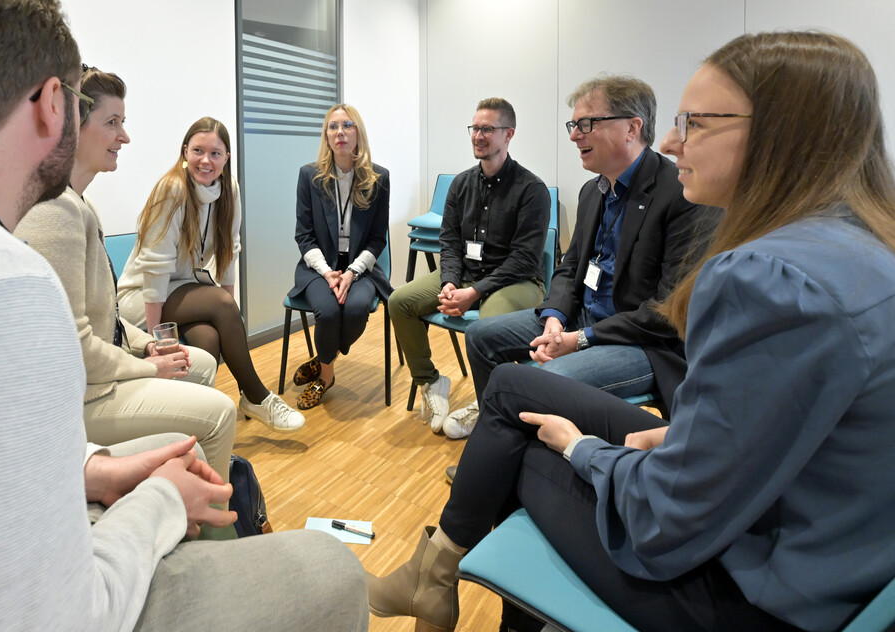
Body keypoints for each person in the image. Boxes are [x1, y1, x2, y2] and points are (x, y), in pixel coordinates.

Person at [367, 31, 895, 632]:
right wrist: (556, 319)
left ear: (778, 134)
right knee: (507, 380)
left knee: (515, 433)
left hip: (745, 580)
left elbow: (668, 506)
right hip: (810, 548)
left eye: (694, 123)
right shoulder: (860, 247)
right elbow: (565, 270)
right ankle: (447, 571)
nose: (674, 141)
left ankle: (454, 580)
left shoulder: (761, 269)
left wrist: (580, 445)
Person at [0, 0, 368, 630]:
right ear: (53, 105)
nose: (122, 136)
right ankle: (245, 440)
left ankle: (248, 427)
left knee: (207, 338)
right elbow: (63, 609)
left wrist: (91, 469)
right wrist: (161, 504)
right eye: (112, 120)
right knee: (332, 570)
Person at [443, 76, 714, 441]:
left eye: (587, 124)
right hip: (580, 319)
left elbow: (667, 311)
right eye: (574, 125)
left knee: (538, 383)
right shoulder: (593, 191)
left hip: (642, 342)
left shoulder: (680, 194)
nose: (574, 136)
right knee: (479, 337)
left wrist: (581, 339)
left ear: (632, 127)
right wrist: (555, 317)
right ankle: (499, 439)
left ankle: (505, 456)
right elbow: (570, 268)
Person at [15, 66, 236, 483]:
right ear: (71, 128)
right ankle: (212, 526)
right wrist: (148, 367)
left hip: (100, 372)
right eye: (112, 123)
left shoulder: (80, 205)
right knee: (221, 413)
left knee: (200, 362)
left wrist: (147, 346)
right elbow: (75, 348)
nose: (125, 136)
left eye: (123, 123)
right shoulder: (53, 211)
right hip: (82, 397)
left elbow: (109, 321)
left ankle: (176, 481)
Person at [117, 117, 304, 433]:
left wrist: (224, 314)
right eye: (198, 151)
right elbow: (155, 270)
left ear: (227, 157)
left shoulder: (228, 189)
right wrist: (155, 339)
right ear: (184, 152)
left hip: (186, 292)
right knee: (220, 304)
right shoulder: (172, 189)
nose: (206, 160)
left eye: (215, 153)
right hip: (142, 297)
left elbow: (229, 252)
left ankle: (194, 423)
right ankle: (256, 397)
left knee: (210, 337)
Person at [389, 98, 550, 433]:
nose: (479, 135)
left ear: (509, 134)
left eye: (487, 129)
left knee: (485, 329)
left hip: (517, 281)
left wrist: (474, 292)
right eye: (475, 128)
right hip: (465, 275)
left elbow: (525, 258)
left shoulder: (532, 190)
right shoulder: (460, 185)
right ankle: (432, 382)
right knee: (399, 301)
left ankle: (488, 402)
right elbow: (449, 242)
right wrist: (450, 282)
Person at [287, 104, 391, 409]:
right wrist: (327, 272)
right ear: (326, 136)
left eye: (347, 125)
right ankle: (326, 376)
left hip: (360, 267)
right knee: (329, 312)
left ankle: (322, 358)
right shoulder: (310, 176)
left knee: (356, 308)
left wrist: (351, 273)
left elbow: (376, 239)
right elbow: (303, 234)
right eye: (333, 127)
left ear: (358, 133)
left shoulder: (378, 178)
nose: (340, 132)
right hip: (319, 266)